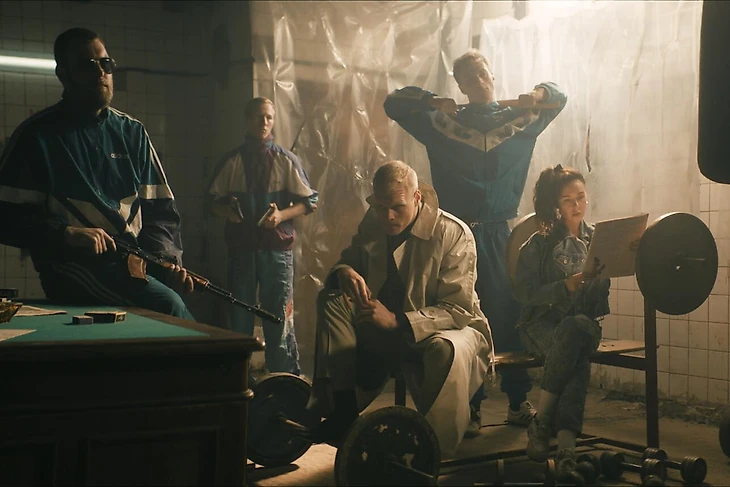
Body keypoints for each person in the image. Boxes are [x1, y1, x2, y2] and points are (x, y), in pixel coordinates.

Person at [384, 49, 568, 432]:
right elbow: (394, 103)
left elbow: (559, 96)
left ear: (492, 76)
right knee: (460, 315)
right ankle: (470, 406)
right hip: (456, 236)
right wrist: (433, 101)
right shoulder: (442, 122)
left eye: (482, 73)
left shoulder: (520, 119)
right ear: (461, 86)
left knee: (511, 312)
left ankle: (517, 402)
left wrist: (537, 94)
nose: (479, 81)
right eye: (469, 78)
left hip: (502, 234)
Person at [0, 27, 194, 319]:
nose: (100, 73)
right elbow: (6, 217)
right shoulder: (37, 136)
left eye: (105, 63)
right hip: (70, 265)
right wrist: (65, 234)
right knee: (167, 305)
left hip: (132, 264)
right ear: (63, 74)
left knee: (170, 298)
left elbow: (161, 212)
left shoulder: (133, 133)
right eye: (87, 65)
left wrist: (164, 264)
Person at [307, 160, 492, 458]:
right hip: (383, 327)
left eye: (397, 207)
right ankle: (344, 412)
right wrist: (345, 271)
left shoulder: (453, 233)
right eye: (380, 207)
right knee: (332, 299)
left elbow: (457, 309)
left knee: (446, 349)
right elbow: (350, 259)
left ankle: (431, 448)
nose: (388, 216)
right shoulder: (374, 221)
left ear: (417, 198)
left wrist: (398, 320)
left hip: (448, 329)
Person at [207, 97, 318, 376]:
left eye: (269, 117)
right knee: (239, 319)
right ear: (246, 120)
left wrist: (281, 215)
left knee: (279, 320)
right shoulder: (232, 161)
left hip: (276, 252)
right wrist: (228, 211)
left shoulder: (285, 160)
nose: (264, 122)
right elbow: (211, 202)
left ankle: (282, 382)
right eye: (258, 116)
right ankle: (238, 380)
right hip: (241, 251)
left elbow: (309, 202)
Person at [513, 164, 609, 481]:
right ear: (555, 205)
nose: (577, 205)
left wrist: (623, 257)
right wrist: (565, 286)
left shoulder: (598, 240)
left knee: (576, 326)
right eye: (568, 200)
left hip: (582, 324)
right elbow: (524, 293)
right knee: (576, 360)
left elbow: (601, 298)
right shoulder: (538, 245)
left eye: (581, 197)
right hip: (541, 324)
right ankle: (567, 453)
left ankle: (541, 421)